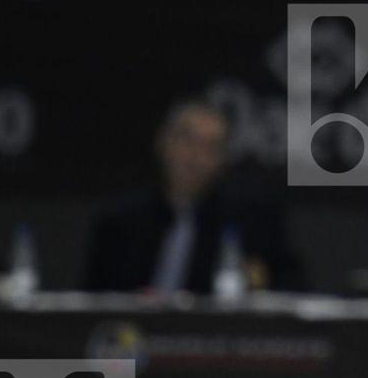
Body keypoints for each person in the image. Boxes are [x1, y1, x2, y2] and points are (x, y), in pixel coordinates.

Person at [83, 100, 300, 297]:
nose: (196, 158)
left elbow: (292, 291)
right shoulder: (119, 221)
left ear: (223, 160)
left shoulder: (253, 222)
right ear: (163, 142)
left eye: (211, 147)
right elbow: (90, 303)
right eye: (187, 141)